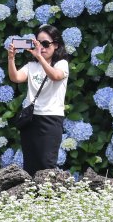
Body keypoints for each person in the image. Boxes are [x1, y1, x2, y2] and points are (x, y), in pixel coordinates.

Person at [6, 24, 70, 176]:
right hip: (31, 119)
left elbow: (56, 76)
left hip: (51, 118)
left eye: (46, 44)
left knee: (47, 163)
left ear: (56, 45)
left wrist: (39, 57)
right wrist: (11, 58)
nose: (42, 47)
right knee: (30, 163)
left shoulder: (61, 64)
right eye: (39, 43)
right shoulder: (31, 65)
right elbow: (15, 77)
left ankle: (49, 196)